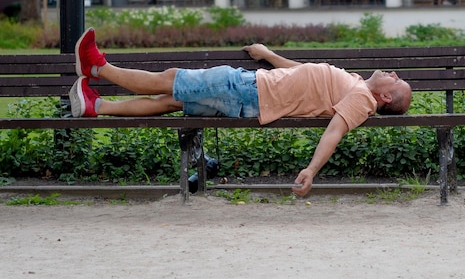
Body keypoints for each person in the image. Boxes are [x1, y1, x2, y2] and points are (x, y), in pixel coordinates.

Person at [70, 28, 412, 197]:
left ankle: (98, 68)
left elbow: (335, 130)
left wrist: (310, 170)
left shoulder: (361, 99)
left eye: (396, 81)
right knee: (171, 102)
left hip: (248, 90)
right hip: (253, 90)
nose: (394, 74)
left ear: (384, 97)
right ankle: (96, 106)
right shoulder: (354, 83)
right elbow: (301, 71)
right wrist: (269, 54)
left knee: (172, 80)